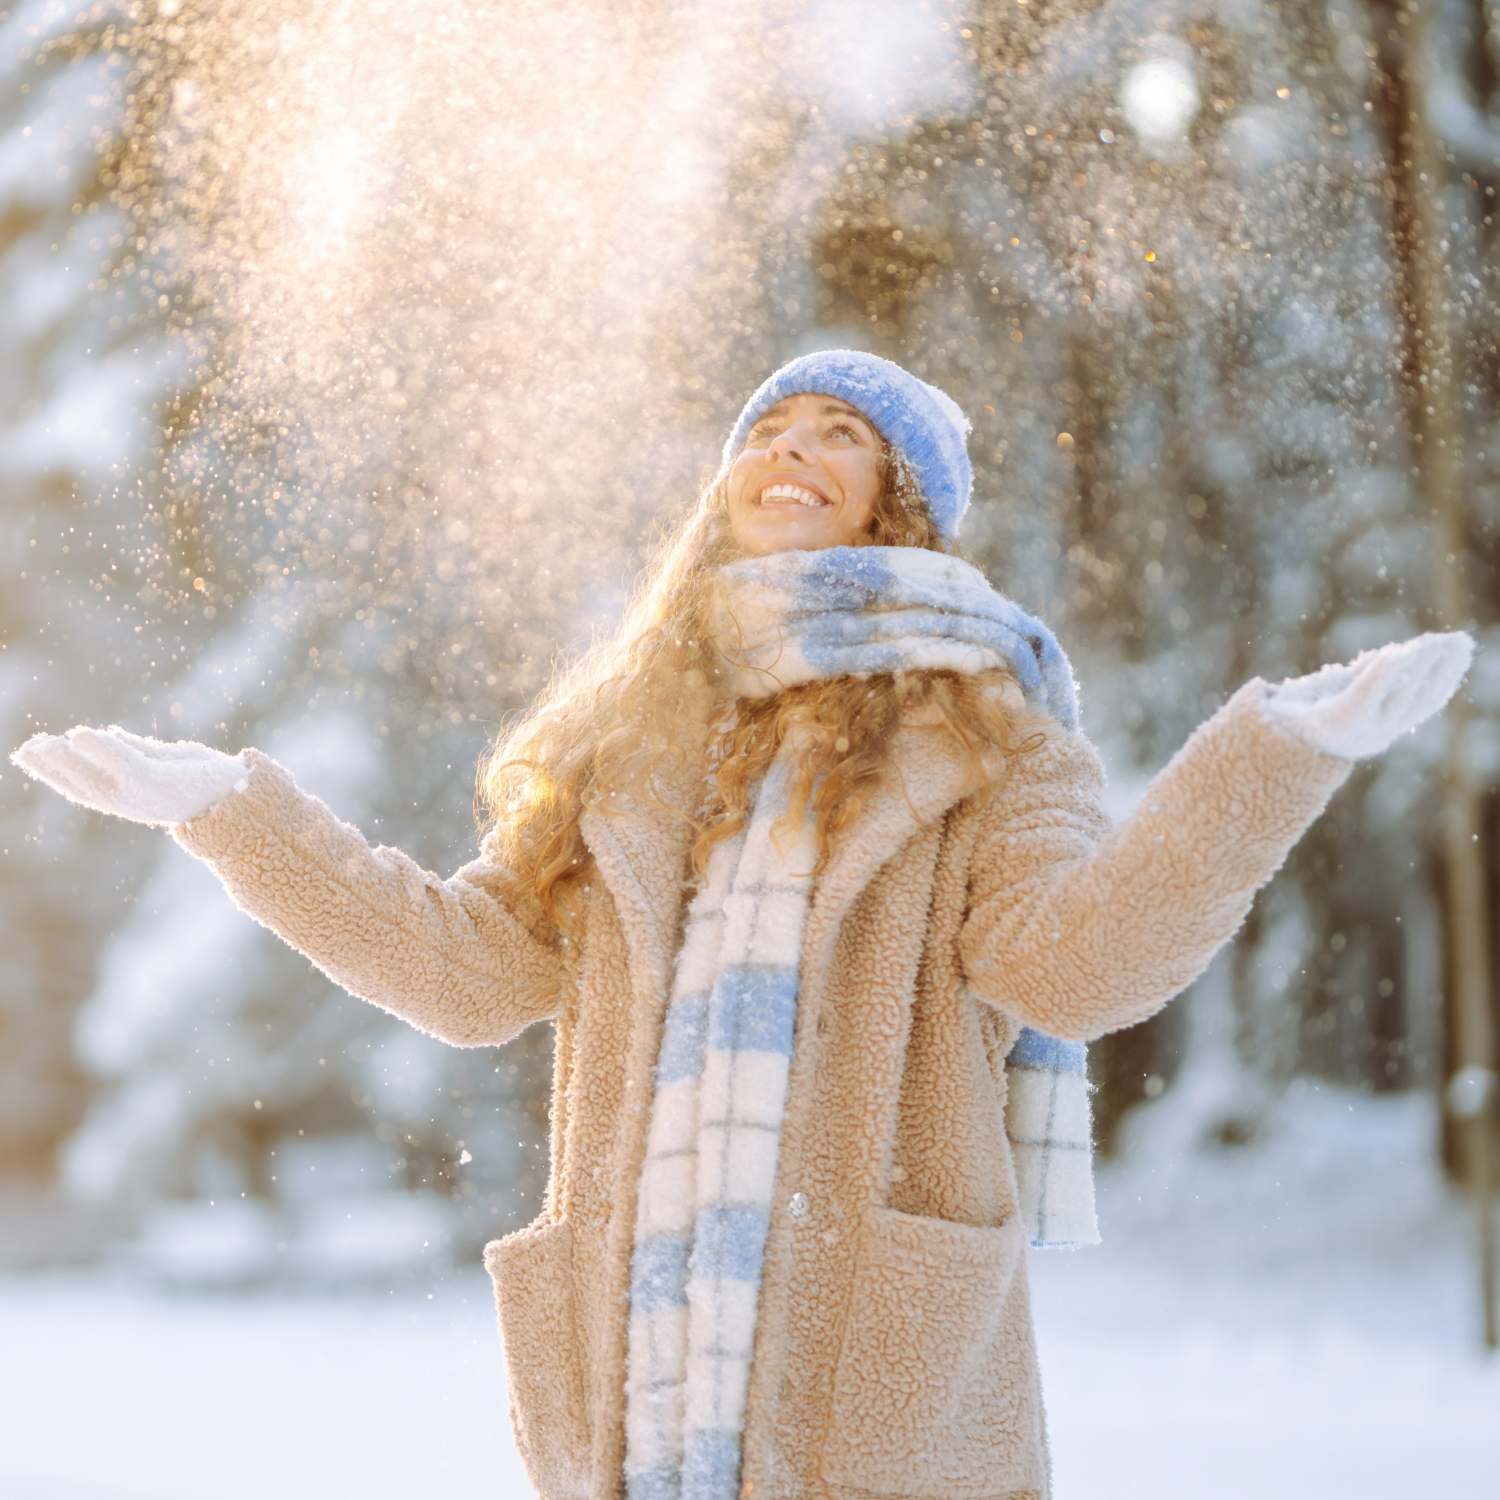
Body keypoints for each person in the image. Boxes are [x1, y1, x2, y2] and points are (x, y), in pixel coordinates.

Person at [14, 350, 1472, 1500]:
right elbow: (466, 973)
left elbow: (1077, 966)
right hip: (641, 1392)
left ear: (903, 495)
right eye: (769, 432)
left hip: (867, 1411)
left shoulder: (989, 735)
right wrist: (230, 813)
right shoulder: (631, 742)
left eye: (841, 434)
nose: (792, 451)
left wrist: (1275, 759)